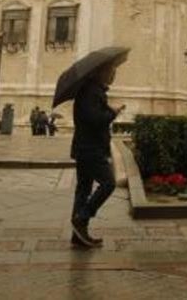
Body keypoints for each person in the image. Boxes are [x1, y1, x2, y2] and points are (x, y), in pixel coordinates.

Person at [70, 61, 124, 248]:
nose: (113, 75)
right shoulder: (91, 92)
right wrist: (112, 114)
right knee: (108, 183)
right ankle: (82, 218)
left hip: (85, 147)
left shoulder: (92, 91)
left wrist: (108, 111)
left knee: (83, 189)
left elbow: (93, 115)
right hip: (90, 148)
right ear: (101, 72)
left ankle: (78, 235)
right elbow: (95, 119)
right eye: (111, 71)